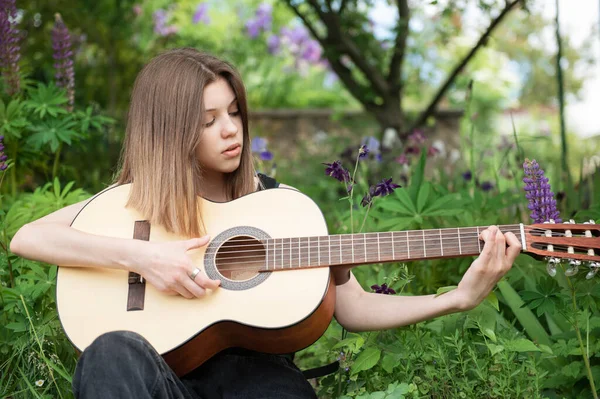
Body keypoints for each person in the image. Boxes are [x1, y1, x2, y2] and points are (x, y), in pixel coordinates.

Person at [9, 48, 522, 399]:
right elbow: (28, 236)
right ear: (167, 133)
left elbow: (352, 304)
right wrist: (143, 256)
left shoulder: (280, 207)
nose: (231, 130)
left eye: (233, 112)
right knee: (109, 354)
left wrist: (457, 297)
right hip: (157, 382)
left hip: (257, 385)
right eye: (208, 121)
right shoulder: (132, 204)